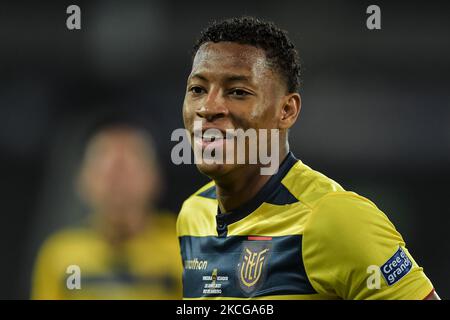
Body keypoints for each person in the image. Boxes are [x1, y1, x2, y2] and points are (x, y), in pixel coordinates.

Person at [176, 16, 439, 300]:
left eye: (238, 92)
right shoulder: (193, 216)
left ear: (286, 110)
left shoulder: (334, 219)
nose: (208, 107)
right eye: (198, 89)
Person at [32, 121, 182, 299]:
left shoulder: (185, 249)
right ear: (82, 180)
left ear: (154, 178)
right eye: (105, 168)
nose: (117, 182)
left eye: (129, 168)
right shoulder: (59, 255)